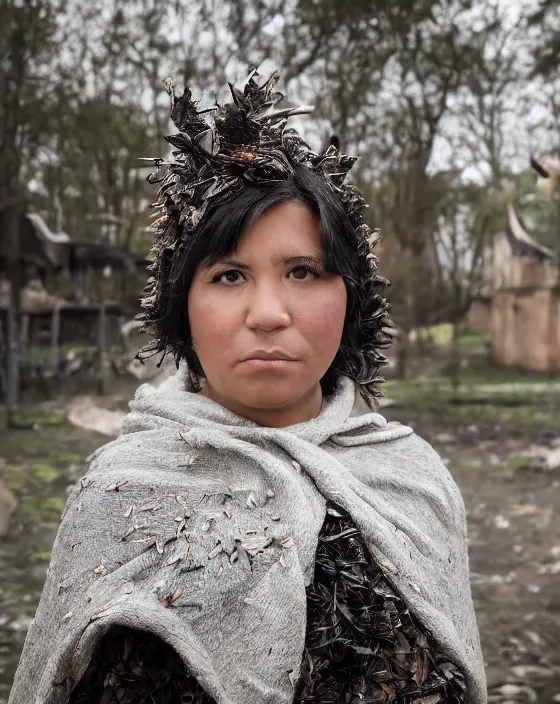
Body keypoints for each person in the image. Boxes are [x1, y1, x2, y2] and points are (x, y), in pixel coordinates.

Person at [9, 70, 486, 704]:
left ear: (352, 298)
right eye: (230, 275)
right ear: (184, 306)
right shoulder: (117, 496)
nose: (267, 312)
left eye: (302, 271)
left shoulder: (413, 483)